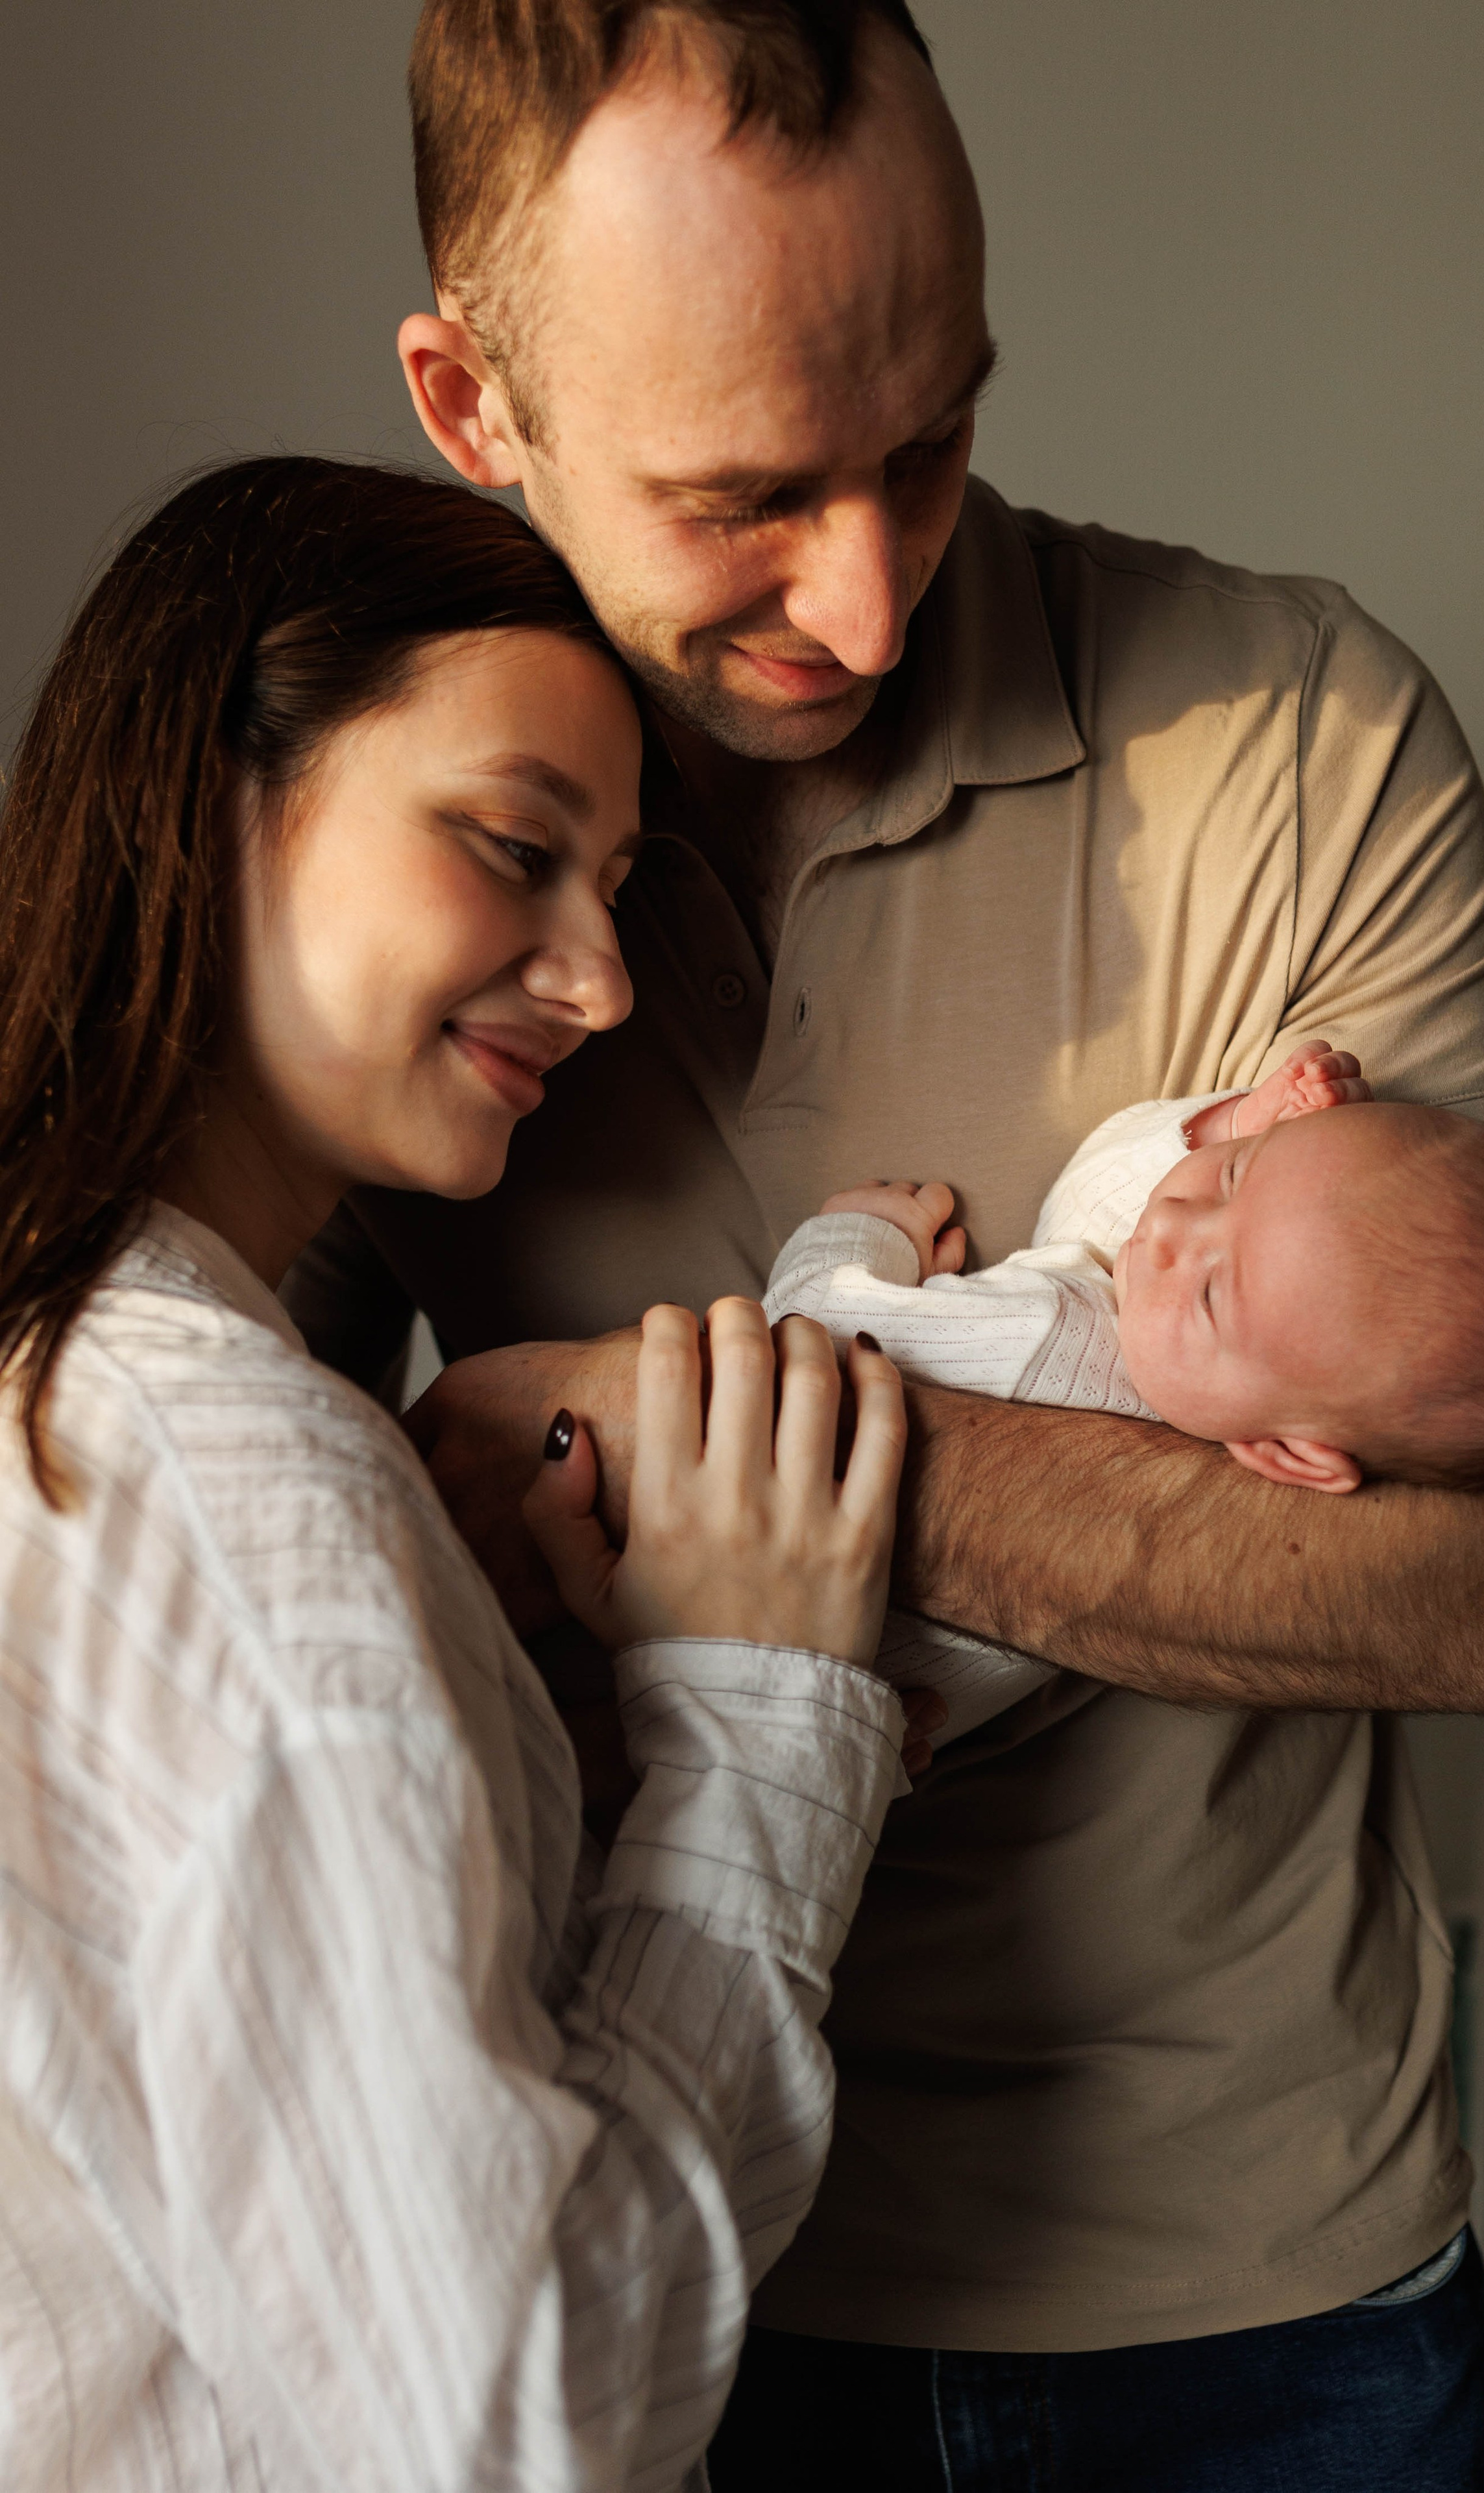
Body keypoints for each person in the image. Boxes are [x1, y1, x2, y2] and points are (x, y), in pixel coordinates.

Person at [282, 3, 1484, 2485]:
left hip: (1268, 2296)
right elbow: (210, 1518)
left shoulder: (1298, 743)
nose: (879, 599)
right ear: (476, 412)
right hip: (637, 2260)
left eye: (934, 438)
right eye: (749, 492)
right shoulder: (370, 833)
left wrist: (688, 1431)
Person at [0, 454, 919, 2493]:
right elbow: (505, 2426)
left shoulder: (72, 1382)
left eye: (616, 890)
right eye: (514, 846)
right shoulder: (235, 1492)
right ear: (213, 783)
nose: (595, 983)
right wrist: (759, 1725)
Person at [764, 1043, 1484, 1742]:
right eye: (1235, 1177)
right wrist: (1233, 1124)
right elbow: (1099, 1228)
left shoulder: (1039, 1345)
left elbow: (798, 1344)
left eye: (1217, 1291)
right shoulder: (1204, 1404)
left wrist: (863, 1233)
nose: (1176, 1225)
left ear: (1293, 1453)